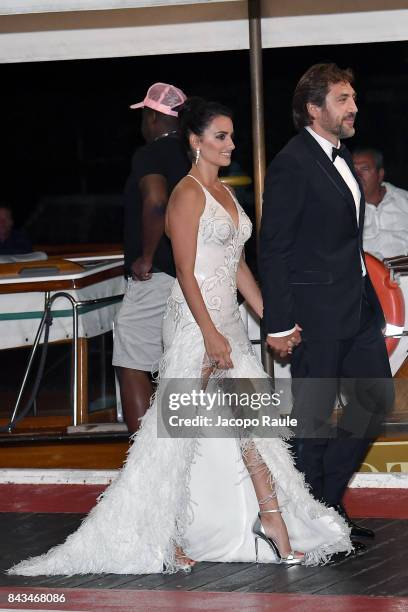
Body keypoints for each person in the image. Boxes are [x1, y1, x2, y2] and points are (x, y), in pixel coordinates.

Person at [9, 97, 352, 578]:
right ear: (195, 141)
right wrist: (210, 335)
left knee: (251, 425)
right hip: (194, 323)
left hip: (226, 322)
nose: (231, 144)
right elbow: (186, 274)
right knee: (175, 435)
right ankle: (162, 534)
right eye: (221, 136)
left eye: (232, 136)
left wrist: (271, 317)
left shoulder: (229, 195)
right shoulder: (186, 194)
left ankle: (272, 520)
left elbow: (237, 269)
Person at [259, 63, 394, 542]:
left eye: (352, 96)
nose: (353, 106)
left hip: (356, 306)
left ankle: (323, 501)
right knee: (313, 420)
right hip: (316, 312)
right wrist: (278, 322)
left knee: (375, 399)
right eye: (341, 98)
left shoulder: (341, 154)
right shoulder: (293, 163)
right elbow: (273, 246)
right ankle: (312, 520)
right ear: (314, 109)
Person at [112, 83, 190, 433]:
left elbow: (156, 201)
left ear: (155, 117)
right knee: (179, 364)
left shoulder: (151, 154)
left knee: (130, 357)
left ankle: (142, 460)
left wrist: (145, 256)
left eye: (145, 115)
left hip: (158, 274)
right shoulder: (193, 155)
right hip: (190, 274)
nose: (142, 124)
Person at [352, 147, 408, 260]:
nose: (357, 175)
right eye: (353, 170)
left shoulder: (404, 199)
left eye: (364, 169)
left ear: (380, 174)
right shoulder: (344, 208)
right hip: (367, 274)